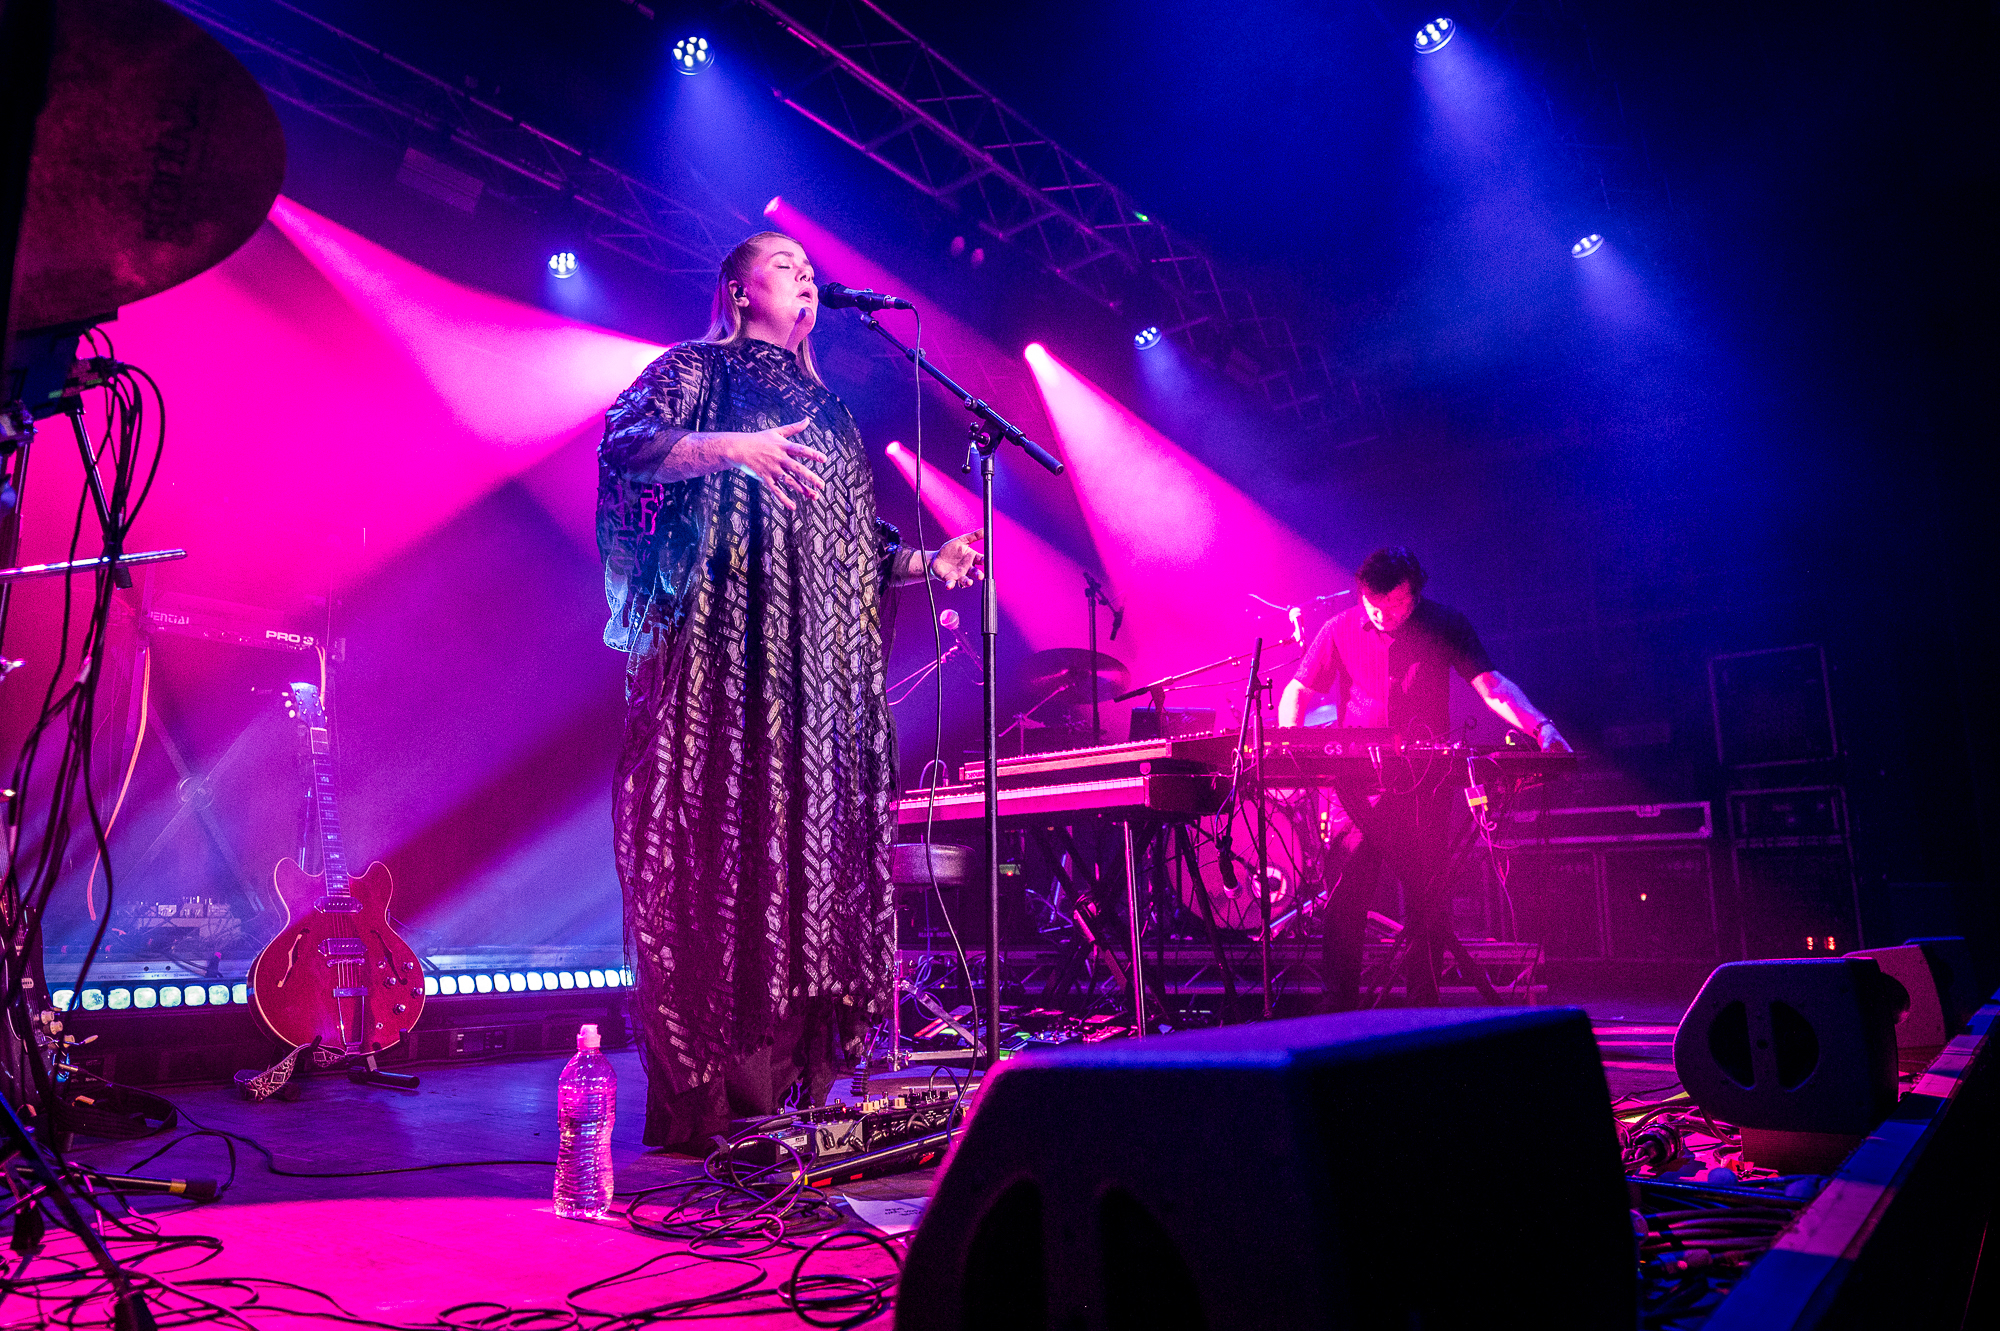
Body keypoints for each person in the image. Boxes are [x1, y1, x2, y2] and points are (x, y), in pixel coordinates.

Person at [598, 231, 982, 1150]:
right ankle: (720, 1099)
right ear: (737, 291)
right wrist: (729, 447)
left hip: (822, 690)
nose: (806, 276)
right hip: (725, 668)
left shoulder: (834, 412)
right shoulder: (698, 370)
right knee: (729, 856)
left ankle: (796, 1097)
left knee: (813, 869)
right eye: (784, 265)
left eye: (811, 269)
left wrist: (928, 561)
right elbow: (626, 442)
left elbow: (857, 546)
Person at [1275, 546, 1569, 1009]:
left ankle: (1424, 1010)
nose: (1385, 615)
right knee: (1346, 900)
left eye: (1396, 604)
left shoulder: (1445, 624)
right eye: (1375, 605)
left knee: (1428, 900)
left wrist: (1542, 727)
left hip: (1426, 783)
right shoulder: (1339, 629)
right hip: (1357, 786)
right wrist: (1294, 749)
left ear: (1415, 592)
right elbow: (1298, 690)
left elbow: (1491, 685)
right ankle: (1340, 1011)